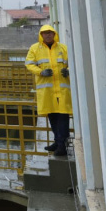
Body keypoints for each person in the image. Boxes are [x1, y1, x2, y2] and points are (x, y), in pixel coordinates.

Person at [26, 24, 73, 156]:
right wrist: (41, 72)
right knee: (52, 117)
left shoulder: (63, 48)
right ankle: (58, 142)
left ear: (54, 34)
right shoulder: (35, 48)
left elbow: (74, 62)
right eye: (45, 33)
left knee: (63, 117)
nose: (47, 35)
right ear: (41, 35)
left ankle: (62, 145)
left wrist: (68, 70)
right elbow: (29, 64)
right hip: (47, 92)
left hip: (62, 91)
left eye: (50, 32)